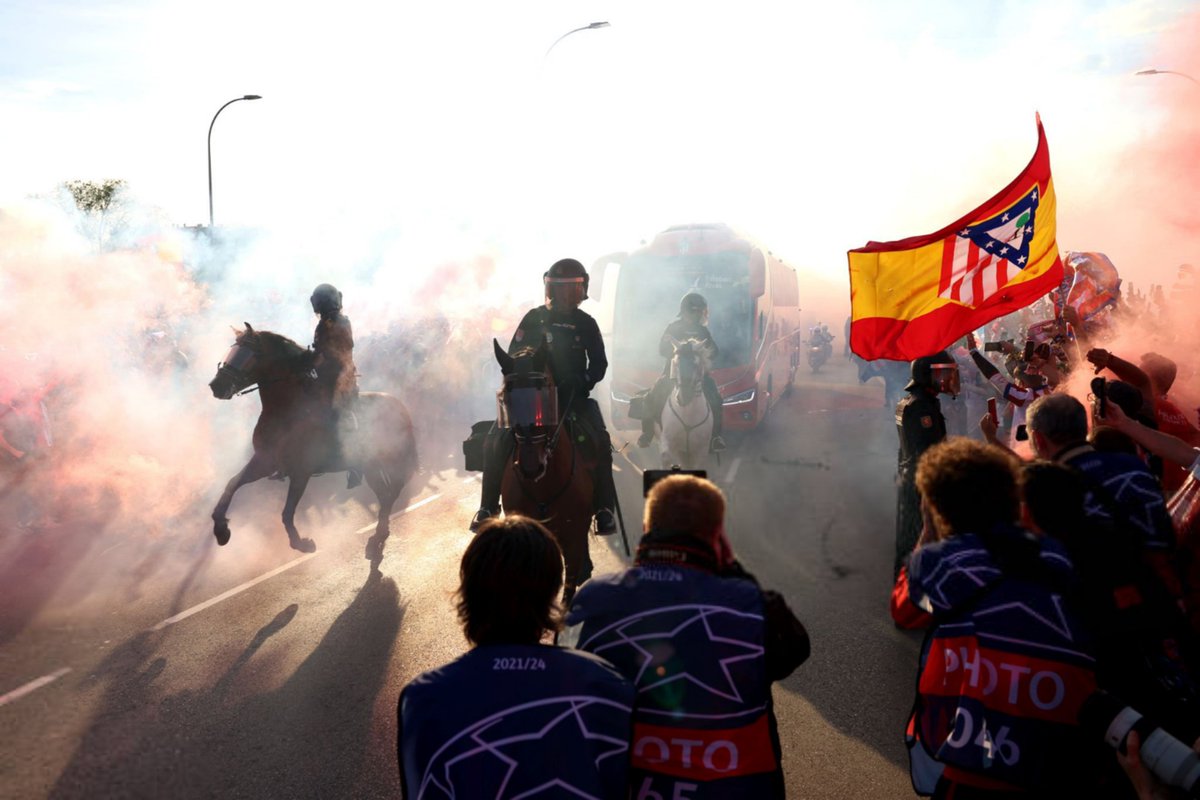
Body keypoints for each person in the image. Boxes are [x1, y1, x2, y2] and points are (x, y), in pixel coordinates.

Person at [565, 474, 809, 799]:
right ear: (716, 538)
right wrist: (733, 571)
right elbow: (794, 652)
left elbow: (568, 676)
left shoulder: (592, 598)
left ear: (648, 526)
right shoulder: (751, 604)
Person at [891, 439, 1098, 798]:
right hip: (1057, 759)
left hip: (972, 763)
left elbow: (904, 610)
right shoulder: (1060, 556)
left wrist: (927, 531)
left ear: (937, 506)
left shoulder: (940, 562)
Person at [398, 515, 635, 799]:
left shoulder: (422, 697)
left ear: (469, 591)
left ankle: (604, 508)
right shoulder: (609, 685)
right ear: (551, 594)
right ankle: (486, 503)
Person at [471, 258, 618, 534]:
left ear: (581, 290)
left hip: (573, 398)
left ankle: (603, 509)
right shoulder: (533, 318)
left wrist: (583, 379)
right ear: (549, 289)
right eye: (559, 289)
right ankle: (488, 506)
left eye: (570, 289)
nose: (564, 296)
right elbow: (514, 356)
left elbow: (599, 364)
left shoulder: (586, 323)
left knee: (600, 439)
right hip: (533, 399)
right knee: (495, 439)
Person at [894, 350, 959, 576]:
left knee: (909, 539)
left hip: (910, 478)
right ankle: (915, 592)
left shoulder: (918, 400)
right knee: (920, 540)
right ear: (925, 374)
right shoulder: (921, 406)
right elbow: (928, 452)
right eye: (942, 373)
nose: (947, 379)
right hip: (920, 483)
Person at [636, 292, 727, 453]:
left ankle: (716, 437)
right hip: (673, 374)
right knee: (650, 397)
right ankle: (647, 433)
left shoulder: (702, 330)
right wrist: (680, 352)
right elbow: (662, 350)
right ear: (684, 311)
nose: (697, 315)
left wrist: (700, 353)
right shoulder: (673, 328)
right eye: (694, 311)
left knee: (716, 399)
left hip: (698, 376)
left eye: (699, 312)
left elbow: (715, 351)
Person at [306, 283, 361, 489]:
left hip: (341, 378)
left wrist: (317, 358)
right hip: (325, 377)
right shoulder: (325, 323)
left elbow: (340, 351)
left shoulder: (340, 322)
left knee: (333, 414)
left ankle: (354, 462)